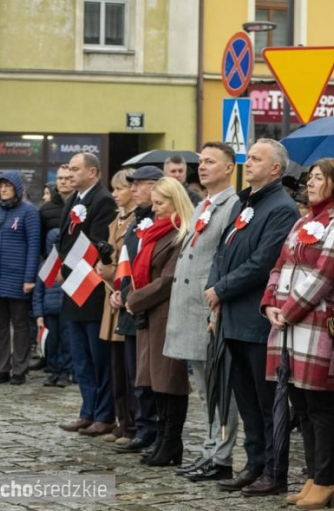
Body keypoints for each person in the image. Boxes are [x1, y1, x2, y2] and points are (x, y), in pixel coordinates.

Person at [262, 158, 334, 509]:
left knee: (321, 405)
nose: (310, 184)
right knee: (300, 404)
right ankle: (312, 477)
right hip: (289, 325)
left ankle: (327, 479)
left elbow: (326, 275)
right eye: (310, 178)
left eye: (318, 178)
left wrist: (287, 311)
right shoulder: (305, 220)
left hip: (317, 322)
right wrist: (269, 304)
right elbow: (280, 265)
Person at [207, 139, 300, 496]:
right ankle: (254, 463)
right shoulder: (245, 203)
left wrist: (222, 288)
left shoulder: (282, 208)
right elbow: (223, 249)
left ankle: (274, 470)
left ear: (276, 168)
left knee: (266, 403)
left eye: (258, 159)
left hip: (257, 322)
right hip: (232, 316)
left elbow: (263, 263)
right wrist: (215, 288)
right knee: (245, 400)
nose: (250, 162)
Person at [163, 142, 240, 481]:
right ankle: (209, 448)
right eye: (201, 161)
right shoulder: (203, 205)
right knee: (202, 387)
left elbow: (224, 260)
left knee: (219, 387)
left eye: (211, 161)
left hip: (208, 308)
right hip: (189, 308)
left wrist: (216, 308)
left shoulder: (233, 205)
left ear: (229, 168)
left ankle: (221, 454)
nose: (203, 167)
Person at [125, 177, 194, 466]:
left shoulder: (181, 233)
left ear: (175, 202)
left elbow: (168, 280)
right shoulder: (155, 232)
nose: (155, 209)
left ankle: (171, 442)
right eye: (153, 203)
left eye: (160, 203)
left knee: (170, 382)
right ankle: (163, 440)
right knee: (155, 382)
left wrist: (134, 299)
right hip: (150, 314)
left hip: (167, 314)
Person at [56, 153, 118, 435]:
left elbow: (95, 242)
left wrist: (67, 267)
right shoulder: (74, 198)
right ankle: (88, 410)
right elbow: (65, 238)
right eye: (68, 168)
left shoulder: (102, 200)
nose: (70, 173)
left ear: (92, 172)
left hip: (90, 289)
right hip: (73, 287)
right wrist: (58, 266)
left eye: (75, 169)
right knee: (81, 357)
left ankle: (104, 415)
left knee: (98, 356)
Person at [112, 165, 163, 455]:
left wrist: (134, 296)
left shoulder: (162, 220)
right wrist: (119, 293)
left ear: (156, 186)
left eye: (139, 184)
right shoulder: (136, 222)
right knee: (136, 373)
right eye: (131, 184)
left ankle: (153, 429)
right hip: (130, 307)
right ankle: (143, 427)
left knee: (150, 375)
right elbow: (127, 262)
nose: (133, 189)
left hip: (148, 307)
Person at [0, 171, 40, 385]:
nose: (3, 189)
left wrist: (28, 278)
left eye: (7, 186)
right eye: (0, 186)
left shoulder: (29, 212)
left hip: (17, 278)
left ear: (17, 187)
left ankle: (19, 369)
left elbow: (34, 246)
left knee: (20, 323)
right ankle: (2, 368)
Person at [96, 168, 137, 445]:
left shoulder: (136, 222)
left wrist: (109, 270)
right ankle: (122, 421)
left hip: (125, 298)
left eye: (119, 189)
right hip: (110, 301)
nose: (115, 194)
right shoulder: (116, 221)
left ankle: (133, 423)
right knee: (116, 366)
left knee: (128, 366)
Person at [35, 229, 72, 388]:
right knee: (51, 343)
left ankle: (65, 372)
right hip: (49, 311)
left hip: (66, 312)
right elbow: (38, 292)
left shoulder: (69, 264)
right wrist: (38, 314)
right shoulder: (45, 266)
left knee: (66, 343)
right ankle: (54, 371)